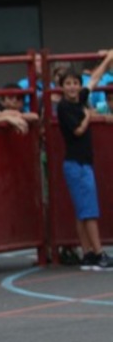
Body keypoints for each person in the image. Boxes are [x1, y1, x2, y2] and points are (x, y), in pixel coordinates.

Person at [57, 50, 113, 270]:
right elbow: (78, 130)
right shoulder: (64, 107)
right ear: (62, 87)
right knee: (89, 211)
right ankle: (98, 253)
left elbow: (95, 78)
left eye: (75, 83)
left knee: (82, 211)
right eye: (68, 84)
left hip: (81, 163)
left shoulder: (79, 99)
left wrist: (108, 58)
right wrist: (90, 116)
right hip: (77, 164)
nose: (72, 87)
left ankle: (87, 253)